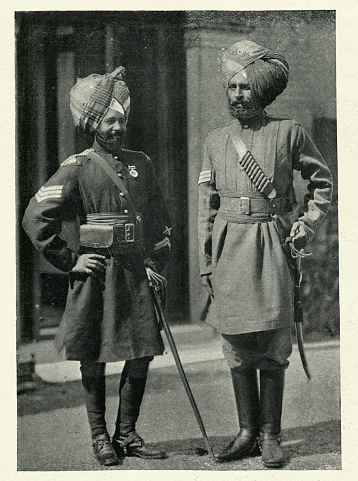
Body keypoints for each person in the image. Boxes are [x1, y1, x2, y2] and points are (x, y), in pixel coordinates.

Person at [22, 67, 172, 466]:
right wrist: (70, 261)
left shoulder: (142, 163)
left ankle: (127, 433)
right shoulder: (78, 167)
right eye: (109, 120)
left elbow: (158, 219)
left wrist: (156, 260)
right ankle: (100, 437)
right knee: (95, 354)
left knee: (140, 352)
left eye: (121, 119)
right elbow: (36, 217)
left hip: (136, 275)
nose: (118, 126)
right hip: (98, 276)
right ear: (93, 124)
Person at [197, 40, 333, 468]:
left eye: (245, 87)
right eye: (232, 86)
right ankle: (246, 432)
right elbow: (207, 207)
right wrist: (206, 262)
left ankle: (271, 435)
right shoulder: (216, 140)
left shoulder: (288, 132)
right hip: (228, 246)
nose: (237, 94)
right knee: (236, 344)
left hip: (272, 241)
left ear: (262, 91)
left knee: (274, 341)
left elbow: (322, 183)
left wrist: (306, 224)